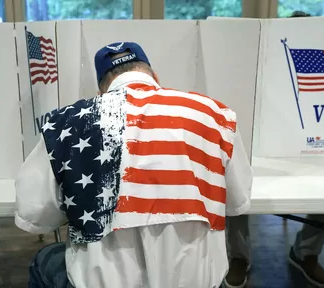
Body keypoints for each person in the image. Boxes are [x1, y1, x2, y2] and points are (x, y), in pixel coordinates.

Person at [15, 41, 253, 288]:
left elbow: (33, 215)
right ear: (155, 77)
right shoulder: (215, 115)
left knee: (43, 260)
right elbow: (238, 201)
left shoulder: (66, 123)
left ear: (102, 92)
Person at [223, 11, 324, 288]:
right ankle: (239, 257)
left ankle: (306, 252)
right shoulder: (254, 65)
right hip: (255, 149)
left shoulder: (323, 71)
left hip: (306, 150)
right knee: (232, 180)